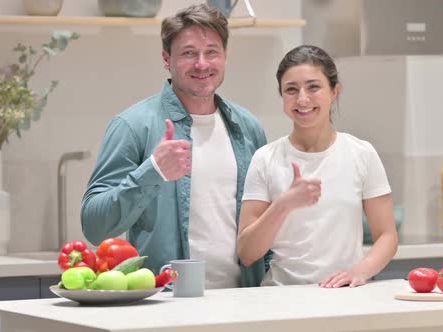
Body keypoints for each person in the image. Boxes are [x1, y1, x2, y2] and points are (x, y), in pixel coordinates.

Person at [81, 4, 268, 288]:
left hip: (242, 302)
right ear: (167, 59)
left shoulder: (247, 127)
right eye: (189, 53)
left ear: (225, 56)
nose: (202, 64)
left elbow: (261, 225)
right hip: (164, 302)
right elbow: (94, 226)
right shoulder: (133, 126)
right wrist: (152, 171)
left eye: (212, 52)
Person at [237, 45, 398, 287]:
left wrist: (360, 272)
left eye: (314, 87)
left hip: (344, 297)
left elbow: (387, 236)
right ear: (282, 97)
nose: (302, 99)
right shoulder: (265, 159)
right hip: (281, 298)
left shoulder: (361, 154)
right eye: (291, 90)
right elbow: (247, 253)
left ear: (334, 92)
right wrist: (283, 204)